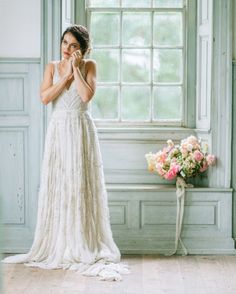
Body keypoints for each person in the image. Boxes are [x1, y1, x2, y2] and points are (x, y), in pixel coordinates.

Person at [1, 24, 129, 281]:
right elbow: (45, 98)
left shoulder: (90, 66)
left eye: (74, 46)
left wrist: (76, 72)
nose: (67, 49)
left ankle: (83, 243)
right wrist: (65, 77)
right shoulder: (51, 66)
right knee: (60, 183)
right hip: (59, 130)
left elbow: (85, 96)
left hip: (81, 129)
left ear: (83, 49)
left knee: (81, 184)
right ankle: (60, 243)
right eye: (65, 43)